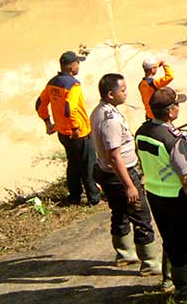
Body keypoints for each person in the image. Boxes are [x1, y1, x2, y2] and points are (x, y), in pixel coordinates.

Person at [135, 87, 187, 298]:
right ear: (169, 111)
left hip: (154, 194)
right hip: (175, 196)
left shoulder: (142, 132)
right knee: (184, 243)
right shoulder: (172, 139)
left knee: (168, 236)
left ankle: (168, 279)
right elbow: (186, 179)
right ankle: (183, 286)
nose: (178, 107)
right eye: (176, 104)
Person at [90, 73, 162, 277]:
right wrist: (129, 184)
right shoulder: (110, 120)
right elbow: (114, 156)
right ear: (110, 94)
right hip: (120, 175)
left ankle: (124, 253)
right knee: (141, 217)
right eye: (123, 90)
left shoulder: (99, 111)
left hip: (107, 173)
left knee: (120, 212)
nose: (126, 93)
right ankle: (149, 262)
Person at [36, 50, 100, 205]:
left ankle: (75, 195)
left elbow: (40, 103)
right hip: (79, 134)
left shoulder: (52, 83)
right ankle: (94, 198)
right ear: (71, 66)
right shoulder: (73, 85)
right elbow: (70, 109)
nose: (79, 66)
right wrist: (76, 129)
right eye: (77, 63)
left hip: (63, 133)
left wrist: (48, 123)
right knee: (88, 164)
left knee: (73, 163)